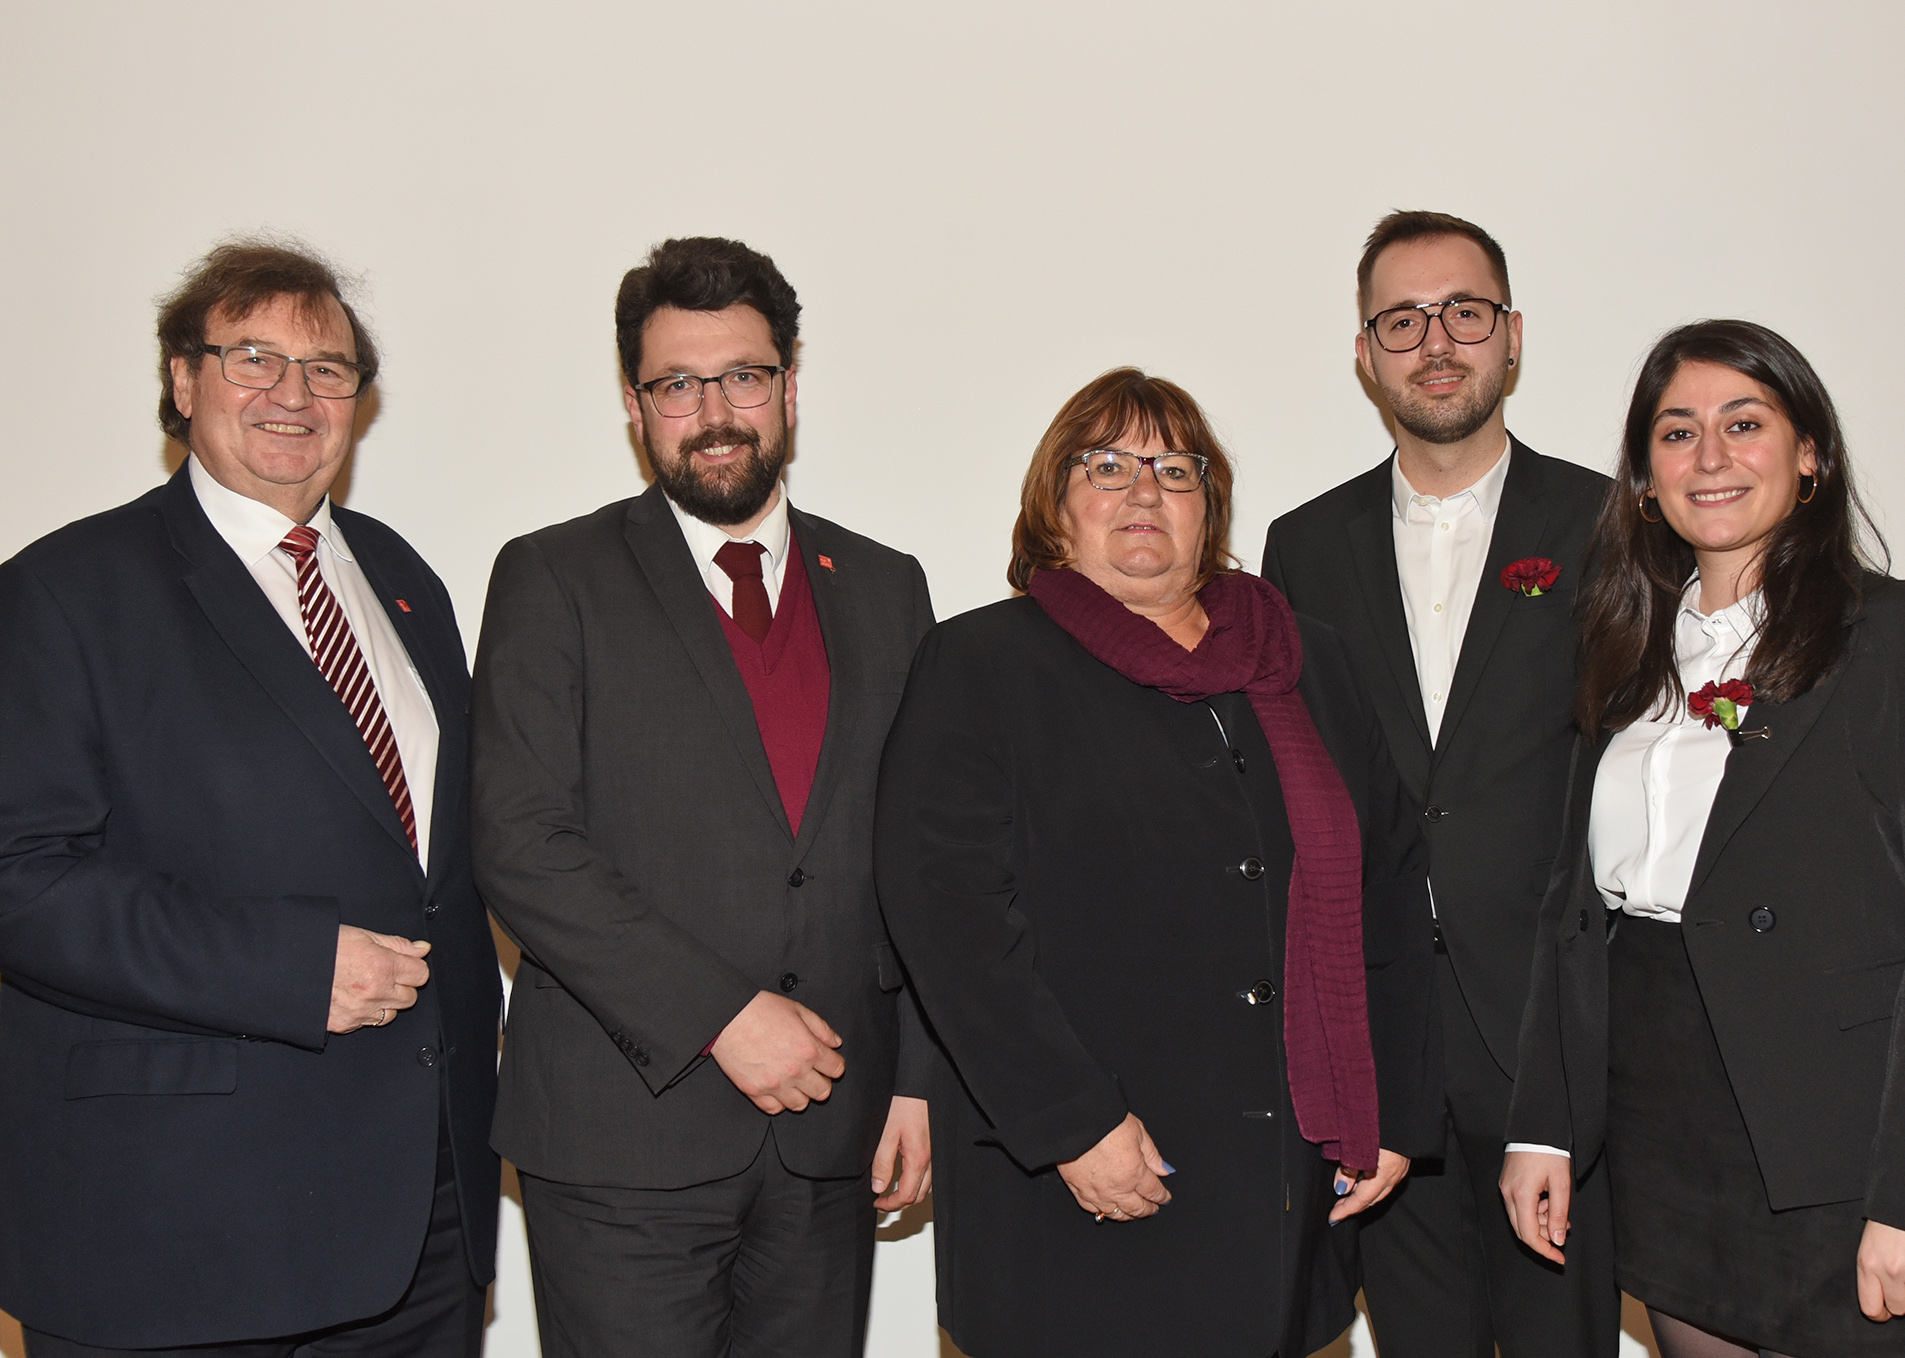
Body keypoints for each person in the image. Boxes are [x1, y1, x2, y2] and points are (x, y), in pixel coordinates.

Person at [874, 367, 1441, 1357]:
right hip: (1079, 1178)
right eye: (1108, 466)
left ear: (1209, 507)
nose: (1145, 492)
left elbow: (1389, 892)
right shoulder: (984, 663)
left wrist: (1390, 1102)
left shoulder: (1306, 662)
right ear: (1055, 507)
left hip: (1280, 1178)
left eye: (1175, 469)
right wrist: (1072, 1124)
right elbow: (950, 918)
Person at [0, 240, 502, 1355]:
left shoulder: (403, 579)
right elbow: (20, 880)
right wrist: (290, 966)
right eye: (254, 357)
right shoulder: (63, 591)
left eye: (328, 369)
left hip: (418, 1223)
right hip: (182, 1231)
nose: (294, 394)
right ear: (184, 381)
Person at [470, 236, 934, 1358]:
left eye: (744, 375)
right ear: (635, 405)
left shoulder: (886, 584)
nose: (714, 408)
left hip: (835, 1132)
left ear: (788, 386)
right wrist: (725, 1015)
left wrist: (920, 1078)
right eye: (678, 383)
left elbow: (931, 854)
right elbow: (521, 842)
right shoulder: (551, 577)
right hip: (624, 1135)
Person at [1502, 319, 1905, 1357]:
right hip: (1658, 1107)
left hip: (1834, 1130)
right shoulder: (1621, 638)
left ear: (1809, 451)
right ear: (1643, 475)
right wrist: (1545, 1120)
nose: (1711, 457)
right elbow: (1570, 905)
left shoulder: (1887, 638)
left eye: (1745, 423)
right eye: (1678, 433)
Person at [1262, 210, 1619, 1358]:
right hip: (1383, 1052)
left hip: (1551, 1047)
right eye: (1402, 319)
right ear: (1364, 353)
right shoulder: (1300, 546)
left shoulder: (1615, 525)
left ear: (1513, 336)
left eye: (1465, 311)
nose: (1437, 341)